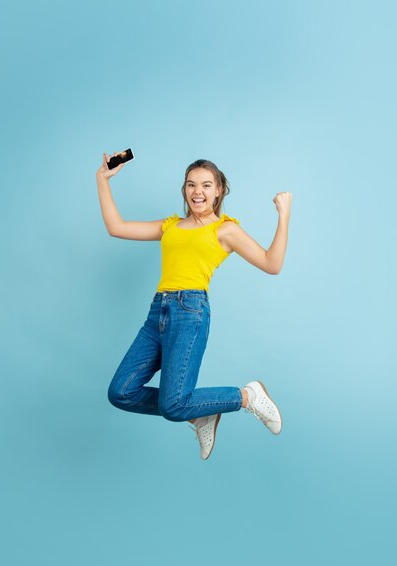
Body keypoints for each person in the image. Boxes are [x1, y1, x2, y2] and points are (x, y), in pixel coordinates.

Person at [96, 151, 292, 460]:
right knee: (121, 392)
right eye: (190, 185)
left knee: (172, 405)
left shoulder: (225, 230)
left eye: (205, 185)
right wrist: (102, 180)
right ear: (184, 190)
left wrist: (284, 216)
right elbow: (116, 227)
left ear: (218, 190)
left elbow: (272, 263)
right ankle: (199, 414)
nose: (197, 192)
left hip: (190, 313)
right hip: (157, 314)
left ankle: (246, 396)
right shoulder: (170, 226)